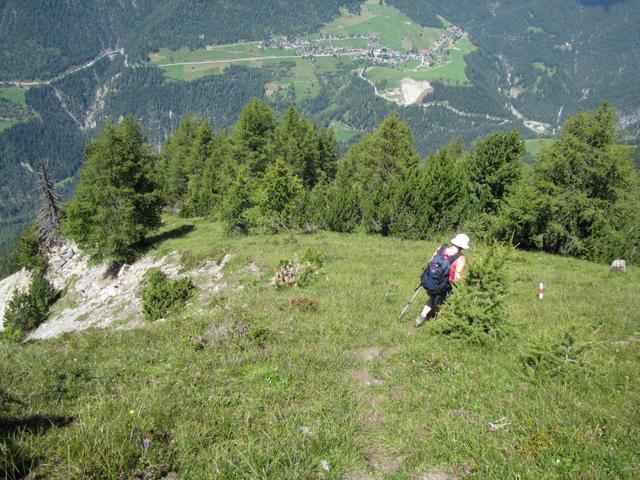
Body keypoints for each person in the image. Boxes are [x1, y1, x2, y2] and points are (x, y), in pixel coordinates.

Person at [415, 233, 470, 327]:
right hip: (444, 286)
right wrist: (467, 280)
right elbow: (457, 278)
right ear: (463, 246)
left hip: (431, 281)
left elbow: (430, 263)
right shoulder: (461, 258)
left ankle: (422, 316)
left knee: (432, 297)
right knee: (442, 304)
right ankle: (437, 325)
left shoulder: (441, 248)